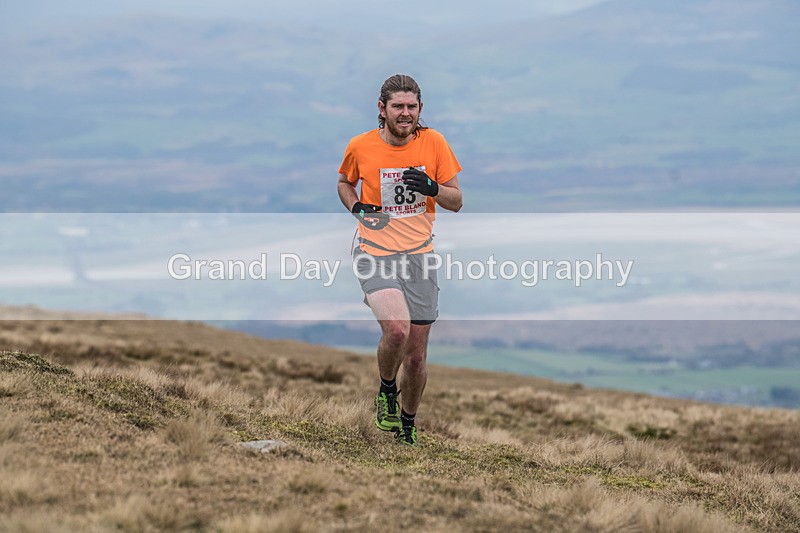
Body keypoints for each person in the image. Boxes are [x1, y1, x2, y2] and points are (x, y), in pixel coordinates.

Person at [337, 74, 463, 446]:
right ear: (382, 109)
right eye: (398, 107)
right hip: (374, 252)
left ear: (420, 109)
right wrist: (357, 207)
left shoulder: (435, 143)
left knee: (417, 358)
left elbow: (456, 201)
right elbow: (345, 182)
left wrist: (433, 189)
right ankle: (386, 390)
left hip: (419, 257)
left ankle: (407, 428)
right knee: (396, 330)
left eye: (412, 107)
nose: (405, 113)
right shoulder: (361, 146)